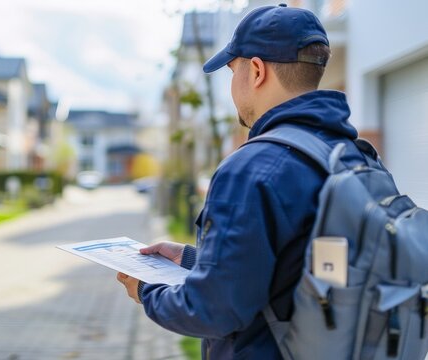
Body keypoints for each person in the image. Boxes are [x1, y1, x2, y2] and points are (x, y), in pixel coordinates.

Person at [117, 4, 371, 359]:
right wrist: (194, 260)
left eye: (231, 69)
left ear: (255, 71)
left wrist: (147, 289)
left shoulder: (252, 167)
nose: (232, 83)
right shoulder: (356, 155)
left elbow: (211, 310)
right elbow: (292, 267)